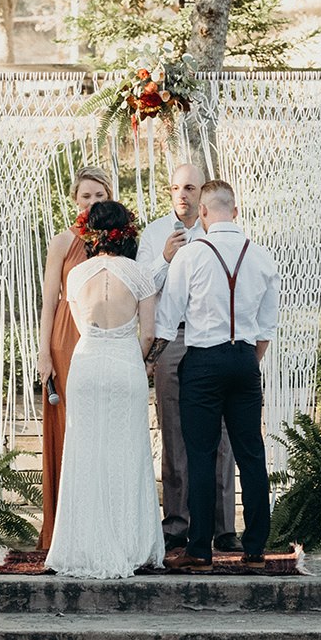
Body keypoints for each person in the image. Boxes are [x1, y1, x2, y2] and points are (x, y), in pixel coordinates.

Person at [155, 180, 279, 572]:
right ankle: (256, 548)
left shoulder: (190, 256)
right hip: (244, 360)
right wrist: (245, 358)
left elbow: (166, 317)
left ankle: (200, 551)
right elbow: (266, 327)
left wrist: (148, 356)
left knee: (201, 456)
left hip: (202, 363)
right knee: (251, 454)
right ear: (236, 212)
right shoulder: (262, 257)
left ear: (204, 213)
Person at [46, 201, 164, 578]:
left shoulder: (76, 276)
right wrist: (135, 354)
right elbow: (148, 332)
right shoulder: (140, 274)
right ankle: (130, 544)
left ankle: (82, 544)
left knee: (84, 452)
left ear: (91, 234)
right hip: (125, 365)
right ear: (127, 233)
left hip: (87, 363)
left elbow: (80, 324)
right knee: (127, 452)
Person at [136, 163, 239, 551]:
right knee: (174, 432)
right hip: (173, 340)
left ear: (203, 194)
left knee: (222, 434)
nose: (182, 194)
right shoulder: (154, 234)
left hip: (214, 339)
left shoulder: (220, 232)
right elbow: (141, 286)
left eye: (190, 188)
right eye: (176, 188)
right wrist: (163, 259)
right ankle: (177, 522)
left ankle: (222, 526)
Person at [36, 165, 112, 548]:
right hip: (67, 335)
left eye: (99, 195)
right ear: (74, 199)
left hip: (107, 336)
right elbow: (50, 300)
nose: (93, 202)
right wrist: (43, 352)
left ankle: (104, 522)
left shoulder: (119, 239)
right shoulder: (63, 242)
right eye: (86, 196)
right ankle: (66, 527)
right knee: (69, 426)